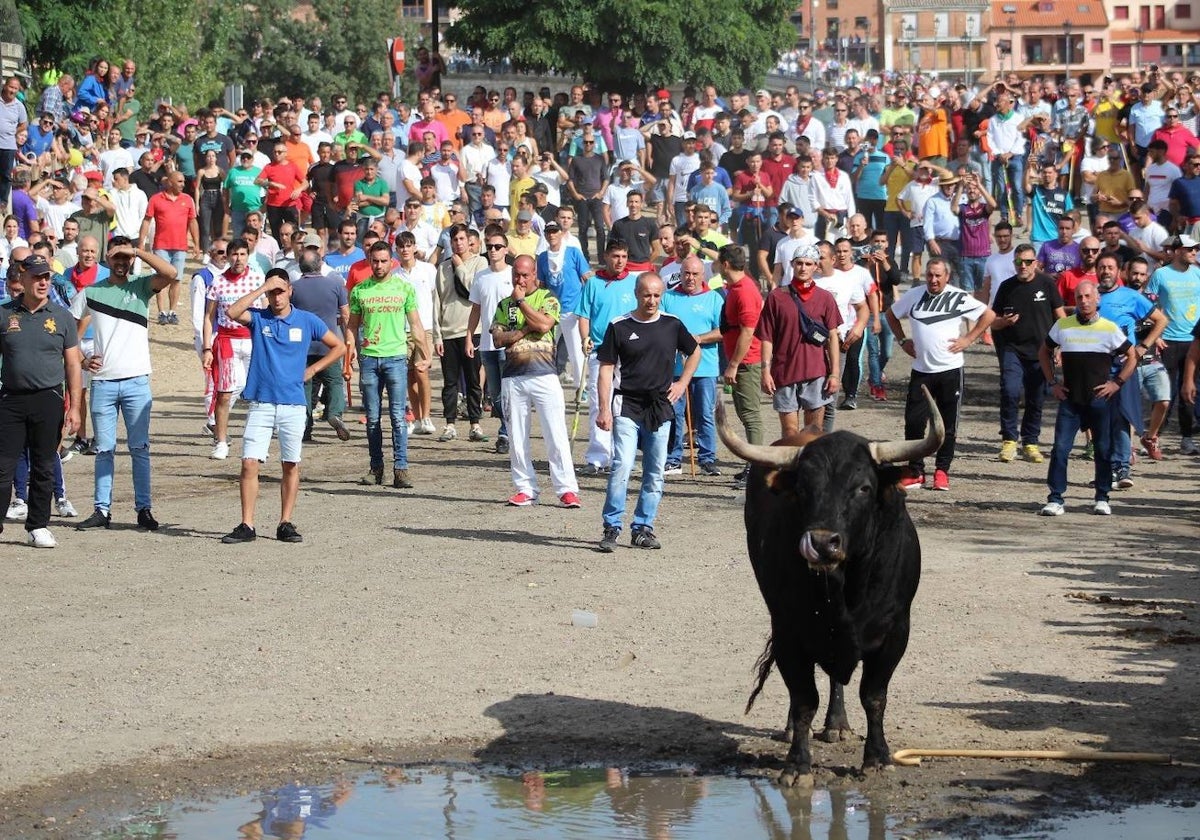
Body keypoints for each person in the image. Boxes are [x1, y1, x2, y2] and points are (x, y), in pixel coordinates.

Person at [218, 269, 346, 544]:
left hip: (293, 404)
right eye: (272, 292)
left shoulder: (306, 320)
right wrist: (263, 287)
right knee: (249, 463)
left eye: (281, 290)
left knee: (290, 463)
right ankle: (247, 524)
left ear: (290, 291)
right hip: (262, 402)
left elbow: (339, 346)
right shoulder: (259, 317)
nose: (276, 297)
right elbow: (231, 312)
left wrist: (313, 369)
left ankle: (285, 521)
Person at [72, 238, 178, 531]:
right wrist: (81, 359)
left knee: (139, 449)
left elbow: (170, 273)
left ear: (131, 259)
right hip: (104, 382)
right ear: (107, 259)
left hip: (136, 381)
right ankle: (101, 511)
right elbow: (67, 328)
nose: (121, 262)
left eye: (125, 257)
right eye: (116, 257)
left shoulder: (141, 286)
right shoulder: (91, 291)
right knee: (104, 450)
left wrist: (138, 251)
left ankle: (143, 510)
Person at [596, 272, 700, 552]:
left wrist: (682, 382)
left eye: (656, 295)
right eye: (646, 295)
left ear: (662, 295)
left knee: (654, 471)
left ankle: (643, 528)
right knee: (623, 466)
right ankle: (612, 527)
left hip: (660, 405)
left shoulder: (672, 324)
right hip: (626, 404)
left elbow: (695, 351)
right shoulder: (618, 326)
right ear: (636, 293)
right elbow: (606, 369)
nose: (651, 300)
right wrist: (604, 408)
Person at [886, 258, 994, 492]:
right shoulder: (914, 295)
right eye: (929, 275)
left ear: (947, 276)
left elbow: (989, 316)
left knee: (947, 425)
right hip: (921, 370)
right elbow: (891, 315)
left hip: (950, 370)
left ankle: (942, 471)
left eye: (938, 276)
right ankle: (915, 471)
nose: (933, 280)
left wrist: (969, 338)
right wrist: (903, 340)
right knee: (914, 423)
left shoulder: (958, 296)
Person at [0, 255, 83, 548]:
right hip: (10, 399)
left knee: (44, 465)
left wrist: (74, 407)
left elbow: (73, 364)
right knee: (3, 465)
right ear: (22, 280)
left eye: (46, 276)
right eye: (36, 277)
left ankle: (37, 525)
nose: (43, 282)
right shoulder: (4, 314)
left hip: (48, 399)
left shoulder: (61, 316)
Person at [1038, 281, 1138, 516]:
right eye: (1079, 297)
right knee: (1060, 449)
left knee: (1103, 449)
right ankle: (1055, 498)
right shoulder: (1063, 325)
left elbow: (1132, 356)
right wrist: (1053, 382)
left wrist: (1117, 383)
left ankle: (1102, 497)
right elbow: (1044, 351)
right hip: (1071, 399)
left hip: (1098, 400)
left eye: (1087, 296)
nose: (1083, 301)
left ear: (1097, 299)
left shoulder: (1109, 328)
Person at [491, 255, 581, 507]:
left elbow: (543, 324)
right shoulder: (503, 304)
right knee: (517, 436)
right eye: (516, 275)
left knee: (556, 434)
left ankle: (566, 489)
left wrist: (521, 303)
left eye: (525, 275)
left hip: (544, 374)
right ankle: (525, 488)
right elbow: (498, 338)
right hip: (513, 376)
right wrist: (521, 331)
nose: (520, 279)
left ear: (534, 276)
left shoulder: (548, 298)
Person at [348, 241, 429, 489]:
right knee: (372, 418)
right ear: (369, 261)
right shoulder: (360, 290)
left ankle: (401, 469)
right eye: (375, 261)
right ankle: (376, 468)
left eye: (384, 261)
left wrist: (424, 353)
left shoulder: (403, 288)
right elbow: (352, 326)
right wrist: (348, 355)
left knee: (397, 416)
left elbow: (415, 324)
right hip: (370, 358)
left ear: (391, 261)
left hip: (395, 357)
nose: (379, 265)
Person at [1096, 254, 1168, 487]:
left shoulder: (1130, 297)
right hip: (1094, 365)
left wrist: (1143, 347)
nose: (1106, 271)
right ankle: (1105, 470)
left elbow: (1161, 320)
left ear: (1120, 272)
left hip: (1122, 366)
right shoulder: (1089, 295)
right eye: (1102, 267)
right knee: (1098, 420)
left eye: (1110, 268)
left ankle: (1123, 468)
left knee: (1122, 416)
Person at [991, 243, 1066, 464]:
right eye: (1018, 262)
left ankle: (1031, 442)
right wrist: (1003, 321)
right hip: (1012, 348)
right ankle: (1009, 440)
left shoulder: (1047, 284)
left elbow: (1061, 317)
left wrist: (1060, 346)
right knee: (1010, 390)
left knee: (1036, 398)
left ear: (1036, 263)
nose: (1022, 266)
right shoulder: (1006, 287)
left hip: (1041, 351)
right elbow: (992, 322)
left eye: (1027, 261)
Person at [756, 245, 842, 436]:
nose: (803, 268)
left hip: (816, 372)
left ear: (816, 267)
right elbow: (767, 338)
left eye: (808, 264)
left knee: (813, 432)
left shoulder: (825, 298)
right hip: (784, 371)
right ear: (792, 264)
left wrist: (835, 374)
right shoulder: (776, 297)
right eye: (799, 263)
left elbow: (833, 338)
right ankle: (790, 467)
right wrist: (765, 371)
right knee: (790, 432)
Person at [575, 240, 637, 474]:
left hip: (628, 354)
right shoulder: (593, 283)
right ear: (606, 256)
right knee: (598, 404)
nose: (619, 261)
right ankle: (598, 457)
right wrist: (584, 338)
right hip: (600, 353)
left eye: (623, 256)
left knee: (622, 407)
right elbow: (584, 315)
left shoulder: (634, 283)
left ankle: (621, 458)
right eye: (615, 256)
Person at [660, 256, 725, 475]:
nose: (690, 278)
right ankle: (673, 458)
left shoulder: (714, 299)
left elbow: (722, 331)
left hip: (705, 367)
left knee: (705, 413)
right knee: (674, 413)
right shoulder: (668, 298)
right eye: (686, 273)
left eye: (695, 274)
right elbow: (659, 325)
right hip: (675, 369)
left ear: (703, 275)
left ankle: (707, 458)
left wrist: (697, 339)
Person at [202, 238, 265, 460]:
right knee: (224, 394)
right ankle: (220, 441)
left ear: (248, 256)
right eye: (234, 255)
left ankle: (257, 441)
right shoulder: (218, 282)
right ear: (228, 256)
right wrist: (207, 347)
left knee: (257, 393)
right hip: (227, 340)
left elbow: (265, 312)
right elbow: (209, 317)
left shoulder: (258, 279)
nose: (238, 259)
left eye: (242, 254)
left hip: (252, 340)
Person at [288, 241, 352, 443]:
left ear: (300, 267)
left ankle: (305, 428)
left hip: (303, 345)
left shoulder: (294, 288)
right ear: (320, 263)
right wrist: (349, 338)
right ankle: (335, 413)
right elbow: (345, 314)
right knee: (334, 382)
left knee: (305, 385)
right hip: (329, 343)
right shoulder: (335, 284)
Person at [1144, 234, 1200, 454]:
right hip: (1167, 341)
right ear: (1177, 251)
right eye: (1189, 249)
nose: (1194, 252)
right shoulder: (1160, 274)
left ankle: (1187, 438)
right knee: (1164, 393)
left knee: (1190, 392)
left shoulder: (1198, 273)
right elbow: (1147, 306)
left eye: (1195, 249)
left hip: (1193, 341)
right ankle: (1154, 435)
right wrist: (1155, 335)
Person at [433, 223, 488, 443]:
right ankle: (449, 424)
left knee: (474, 380)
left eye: (462, 239)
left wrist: (460, 266)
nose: (458, 244)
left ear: (469, 240)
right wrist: (437, 335)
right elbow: (437, 301)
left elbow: (474, 290)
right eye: (454, 240)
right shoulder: (442, 267)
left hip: (472, 331)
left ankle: (475, 423)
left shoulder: (480, 262)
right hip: (448, 332)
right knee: (450, 382)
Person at [717, 244, 763, 490]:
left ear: (725, 264)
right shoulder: (737, 288)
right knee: (746, 415)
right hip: (741, 360)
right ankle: (751, 465)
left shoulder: (744, 291)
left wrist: (733, 364)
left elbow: (748, 331)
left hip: (746, 361)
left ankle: (756, 469)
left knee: (751, 416)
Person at [465, 231, 515, 453]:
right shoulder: (481, 276)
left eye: (497, 246)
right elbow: (475, 309)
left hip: (509, 343)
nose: (493, 250)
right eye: (490, 247)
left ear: (506, 249)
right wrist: (469, 336)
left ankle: (506, 433)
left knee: (508, 392)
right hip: (486, 343)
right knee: (495, 395)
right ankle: (508, 428)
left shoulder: (514, 275)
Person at [139, 170, 199, 325]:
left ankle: (173, 311)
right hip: (161, 245)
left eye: (183, 181)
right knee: (161, 278)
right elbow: (147, 220)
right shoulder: (156, 199)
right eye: (179, 181)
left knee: (177, 280)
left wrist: (197, 244)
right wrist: (141, 241)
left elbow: (192, 222)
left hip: (180, 246)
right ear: (170, 182)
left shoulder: (187, 199)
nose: (183, 185)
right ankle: (161, 311)